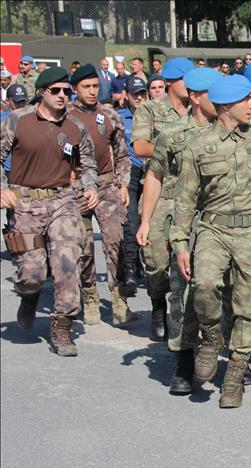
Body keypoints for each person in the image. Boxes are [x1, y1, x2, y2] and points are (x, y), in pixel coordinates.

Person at [169, 75, 251, 408]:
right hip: (213, 230)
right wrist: (180, 244)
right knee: (203, 284)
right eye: (247, 100)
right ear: (228, 105)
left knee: (247, 307)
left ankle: (234, 374)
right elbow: (185, 200)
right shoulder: (197, 147)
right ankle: (211, 335)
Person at [0, 66, 98, 356]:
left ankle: (62, 326)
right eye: (55, 91)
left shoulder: (75, 127)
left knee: (68, 261)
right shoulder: (18, 121)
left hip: (62, 201)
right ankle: (29, 296)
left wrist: (89, 186)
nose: (62, 96)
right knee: (32, 272)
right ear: (42, 92)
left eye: (66, 91)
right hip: (25, 202)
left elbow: (88, 165)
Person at [137, 67, 222, 394]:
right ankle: (184, 361)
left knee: (219, 288)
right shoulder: (172, 134)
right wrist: (146, 220)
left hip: (218, 215)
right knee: (182, 287)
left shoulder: (231, 130)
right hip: (179, 215)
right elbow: (154, 176)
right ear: (198, 97)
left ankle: (228, 359)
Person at [133, 57, 195, 340]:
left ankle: (182, 317)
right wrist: (174, 143)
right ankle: (157, 303)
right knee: (156, 261)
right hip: (159, 193)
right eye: (186, 79)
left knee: (186, 261)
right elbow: (141, 146)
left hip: (190, 195)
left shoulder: (200, 109)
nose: (192, 85)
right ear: (171, 81)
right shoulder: (150, 108)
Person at [68, 64, 134, 327]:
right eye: (86, 87)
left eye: (96, 86)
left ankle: (119, 301)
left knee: (114, 240)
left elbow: (122, 155)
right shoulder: (65, 117)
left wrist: (123, 184)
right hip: (77, 190)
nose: (93, 91)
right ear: (75, 89)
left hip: (107, 186)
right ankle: (91, 298)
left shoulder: (109, 115)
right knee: (84, 246)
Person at [116, 76, 148, 296]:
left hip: (154, 171)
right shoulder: (119, 118)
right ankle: (129, 267)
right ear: (126, 95)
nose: (139, 97)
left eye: (142, 93)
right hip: (131, 171)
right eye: (135, 93)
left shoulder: (154, 115)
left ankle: (144, 263)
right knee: (131, 220)